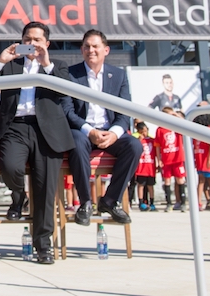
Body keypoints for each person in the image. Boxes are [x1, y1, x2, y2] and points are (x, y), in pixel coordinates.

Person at [0, 22, 73, 264]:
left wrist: (46, 65)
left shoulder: (58, 66)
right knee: (11, 166)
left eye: (37, 39)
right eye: (27, 39)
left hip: (48, 131)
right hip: (16, 126)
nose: (32, 43)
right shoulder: (11, 64)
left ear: (46, 43)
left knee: (45, 190)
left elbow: (66, 92)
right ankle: (18, 195)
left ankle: (43, 245)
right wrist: (1, 60)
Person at [64, 29, 141, 226]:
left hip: (110, 130)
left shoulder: (119, 75)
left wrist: (114, 134)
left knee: (135, 146)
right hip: (83, 130)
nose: (91, 50)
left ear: (106, 50)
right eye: (87, 46)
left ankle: (109, 200)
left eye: (95, 46)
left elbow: (125, 111)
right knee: (77, 143)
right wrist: (89, 130)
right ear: (81, 50)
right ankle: (85, 202)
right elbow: (67, 111)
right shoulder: (70, 74)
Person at [155, 107, 187, 211]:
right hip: (166, 159)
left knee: (180, 180)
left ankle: (183, 203)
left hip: (177, 158)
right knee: (167, 181)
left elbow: (185, 123)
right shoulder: (160, 129)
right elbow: (158, 146)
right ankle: (169, 203)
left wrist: (175, 114)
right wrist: (159, 159)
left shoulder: (176, 126)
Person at [192, 114, 210, 211]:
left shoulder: (208, 130)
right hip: (199, 158)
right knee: (201, 180)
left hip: (207, 159)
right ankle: (198, 202)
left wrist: (209, 159)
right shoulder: (196, 132)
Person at [134, 122, 157, 211]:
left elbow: (157, 151)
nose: (145, 133)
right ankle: (141, 202)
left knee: (150, 185)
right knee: (141, 185)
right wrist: (139, 140)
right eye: (142, 131)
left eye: (146, 131)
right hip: (141, 167)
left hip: (150, 166)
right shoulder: (137, 140)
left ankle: (152, 202)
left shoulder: (151, 140)